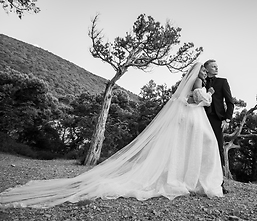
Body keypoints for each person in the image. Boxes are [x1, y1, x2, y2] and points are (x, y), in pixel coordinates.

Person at [0, 62, 224, 209]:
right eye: (204, 69)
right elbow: (198, 101)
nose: (205, 72)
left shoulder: (199, 82)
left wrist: (205, 96)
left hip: (192, 117)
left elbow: (191, 100)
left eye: (207, 70)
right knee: (204, 144)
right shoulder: (198, 82)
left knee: (196, 146)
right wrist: (210, 94)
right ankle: (195, 180)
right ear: (197, 72)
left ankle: (191, 179)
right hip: (194, 117)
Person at [204, 59, 234, 192]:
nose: (216, 68)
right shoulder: (199, 81)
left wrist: (227, 120)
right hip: (200, 118)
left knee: (218, 150)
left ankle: (219, 184)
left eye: (217, 67)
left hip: (217, 120)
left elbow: (230, 102)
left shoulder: (222, 82)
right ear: (206, 69)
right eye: (213, 67)